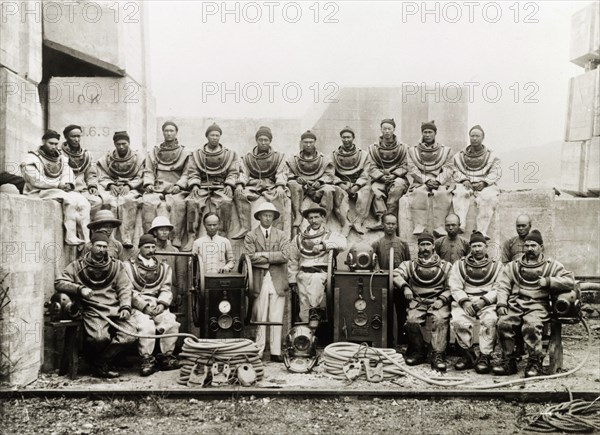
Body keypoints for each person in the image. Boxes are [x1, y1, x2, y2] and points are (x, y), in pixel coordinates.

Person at [54, 233, 137, 378]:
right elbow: (59, 282)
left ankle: (101, 362)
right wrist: (80, 289)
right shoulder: (77, 266)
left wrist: (125, 307)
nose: (102, 249)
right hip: (93, 310)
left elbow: (125, 288)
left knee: (129, 336)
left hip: (115, 309)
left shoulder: (117, 266)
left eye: (105, 247)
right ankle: (101, 364)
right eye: (98, 246)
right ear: (91, 246)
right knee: (99, 338)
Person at [493, 230, 575, 377]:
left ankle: (534, 362)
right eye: (527, 245)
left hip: (537, 306)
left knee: (531, 326)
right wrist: (501, 304)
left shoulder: (551, 266)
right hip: (516, 305)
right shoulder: (514, 266)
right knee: (503, 323)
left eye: (533, 245)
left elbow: (570, 281)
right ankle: (509, 361)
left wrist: (549, 281)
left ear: (541, 247)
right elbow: (503, 286)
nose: (529, 249)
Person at [393, 231, 452, 371]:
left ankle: (438, 354)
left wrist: (442, 299)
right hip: (418, 301)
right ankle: (419, 351)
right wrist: (405, 287)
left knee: (439, 319)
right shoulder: (410, 265)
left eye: (428, 244)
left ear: (433, 247)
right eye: (422, 245)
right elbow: (396, 274)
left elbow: (452, 286)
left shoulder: (446, 266)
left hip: (438, 301)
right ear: (418, 247)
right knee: (412, 321)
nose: (425, 248)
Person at [20, 130, 91, 245]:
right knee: (69, 201)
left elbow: (67, 173)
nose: (54, 146)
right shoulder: (31, 158)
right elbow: (34, 180)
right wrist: (57, 185)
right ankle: (70, 236)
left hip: (58, 189)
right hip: (38, 191)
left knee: (83, 202)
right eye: (50, 143)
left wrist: (67, 184)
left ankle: (86, 240)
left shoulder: (61, 158)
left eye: (55, 144)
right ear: (43, 141)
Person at [125, 234, 181, 376]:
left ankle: (166, 357)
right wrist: (144, 307)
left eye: (152, 247)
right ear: (139, 248)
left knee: (171, 323)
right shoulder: (128, 267)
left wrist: (162, 304)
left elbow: (166, 289)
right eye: (146, 247)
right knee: (146, 326)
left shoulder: (163, 267)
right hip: (139, 306)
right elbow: (128, 291)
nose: (150, 250)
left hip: (157, 304)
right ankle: (147, 359)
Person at [448, 231, 502, 374]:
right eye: (474, 246)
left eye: (480, 245)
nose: (477, 249)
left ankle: (485, 356)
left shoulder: (496, 266)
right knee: (459, 321)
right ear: (470, 248)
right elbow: (455, 285)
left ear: (486, 247)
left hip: (487, 302)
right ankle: (468, 354)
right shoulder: (459, 265)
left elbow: (499, 287)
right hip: (466, 300)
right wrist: (465, 302)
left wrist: (484, 301)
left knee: (490, 320)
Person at [243, 202, 290, 362]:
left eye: (270, 215)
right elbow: (249, 257)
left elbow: (285, 256)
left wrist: (262, 255)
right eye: (265, 215)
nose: (268, 218)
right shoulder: (251, 235)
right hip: (259, 279)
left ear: (274, 218)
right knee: (260, 316)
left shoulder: (282, 235)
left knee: (276, 317)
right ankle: (259, 350)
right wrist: (273, 257)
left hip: (278, 279)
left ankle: (276, 352)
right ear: (259, 217)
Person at [288, 206, 347, 323]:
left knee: (315, 282)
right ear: (307, 220)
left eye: (316, 217)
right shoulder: (299, 239)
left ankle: (314, 311)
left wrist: (323, 246)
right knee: (304, 305)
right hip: (303, 274)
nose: (313, 221)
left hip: (321, 274)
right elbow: (293, 259)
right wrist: (292, 280)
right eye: (310, 218)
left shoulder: (330, 235)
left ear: (323, 218)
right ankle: (307, 333)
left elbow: (343, 244)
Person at [285, 130, 349, 237]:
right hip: (302, 187)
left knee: (329, 190)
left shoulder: (323, 159)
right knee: (292, 184)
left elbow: (329, 174)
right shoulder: (294, 159)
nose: (308, 145)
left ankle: (324, 218)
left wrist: (320, 181)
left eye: (311, 142)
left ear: (315, 142)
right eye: (306, 142)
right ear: (301, 143)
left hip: (319, 186)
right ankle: (297, 215)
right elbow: (288, 173)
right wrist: (296, 178)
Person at [184, 123, 240, 240]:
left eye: (217, 135)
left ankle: (223, 234)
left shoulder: (229, 154)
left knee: (226, 202)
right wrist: (194, 185)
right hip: (203, 186)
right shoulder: (197, 154)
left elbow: (233, 171)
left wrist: (229, 185)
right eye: (212, 135)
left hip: (221, 186)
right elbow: (193, 171)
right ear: (207, 136)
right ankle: (191, 236)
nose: (214, 138)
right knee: (192, 202)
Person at [142, 121, 190, 247]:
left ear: (176, 133)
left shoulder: (184, 152)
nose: (169, 133)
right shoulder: (154, 151)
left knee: (179, 204)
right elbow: (148, 170)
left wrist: (179, 185)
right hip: (157, 187)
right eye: (166, 131)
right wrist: (148, 184)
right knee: (148, 203)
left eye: (171, 131)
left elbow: (186, 173)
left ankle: (176, 237)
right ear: (163, 132)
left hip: (175, 188)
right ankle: (149, 236)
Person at [234, 126, 288, 238]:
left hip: (271, 185)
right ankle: (245, 227)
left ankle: (278, 229)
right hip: (254, 185)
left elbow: (282, 172)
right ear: (256, 140)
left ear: (270, 141)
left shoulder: (278, 156)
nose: (263, 143)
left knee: (280, 196)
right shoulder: (248, 157)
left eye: (266, 140)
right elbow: (244, 173)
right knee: (240, 194)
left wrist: (280, 185)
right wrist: (240, 184)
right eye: (260, 140)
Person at [97, 131, 145, 248]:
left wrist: (129, 185)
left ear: (129, 143)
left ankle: (126, 236)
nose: (121, 146)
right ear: (114, 144)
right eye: (118, 144)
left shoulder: (138, 158)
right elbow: (102, 176)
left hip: (131, 188)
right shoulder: (107, 159)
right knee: (109, 201)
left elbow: (141, 176)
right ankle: (109, 237)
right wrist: (110, 185)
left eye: (124, 143)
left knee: (127, 200)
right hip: (113, 188)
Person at [406, 121, 455, 236]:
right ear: (422, 133)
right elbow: (411, 168)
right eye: (425, 132)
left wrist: (438, 180)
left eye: (430, 132)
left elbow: (449, 168)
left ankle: (440, 226)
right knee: (419, 193)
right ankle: (419, 225)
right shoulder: (412, 151)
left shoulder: (446, 150)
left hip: (439, 183)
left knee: (442, 194)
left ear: (435, 133)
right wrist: (426, 180)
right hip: (420, 182)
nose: (427, 135)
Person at [452, 125, 501, 237]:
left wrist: (484, 182)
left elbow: (496, 172)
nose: (474, 138)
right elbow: (454, 169)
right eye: (472, 136)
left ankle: (482, 231)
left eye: (477, 136)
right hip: (466, 183)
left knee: (489, 198)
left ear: (483, 138)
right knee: (460, 193)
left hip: (484, 184)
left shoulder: (491, 155)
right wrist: (463, 179)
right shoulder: (460, 155)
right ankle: (460, 224)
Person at [371, 212, 412, 347]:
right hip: (383, 286)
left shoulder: (403, 244)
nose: (391, 226)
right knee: (384, 314)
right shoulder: (377, 244)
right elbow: (373, 264)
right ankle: (386, 342)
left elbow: (408, 264)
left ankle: (402, 342)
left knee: (402, 314)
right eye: (388, 223)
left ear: (396, 225)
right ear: (383, 225)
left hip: (400, 286)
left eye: (393, 224)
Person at [364, 119, 409, 231]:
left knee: (397, 188)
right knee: (375, 190)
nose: (387, 131)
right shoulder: (373, 148)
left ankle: (391, 219)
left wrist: (394, 175)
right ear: (381, 130)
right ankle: (381, 219)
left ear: (394, 130)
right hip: (380, 179)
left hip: (398, 177)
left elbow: (406, 164)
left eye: (389, 129)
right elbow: (371, 165)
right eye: (385, 129)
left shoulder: (403, 148)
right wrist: (381, 176)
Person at [331, 126, 372, 234]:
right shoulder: (334, 155)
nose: (346, 140)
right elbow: (330, 173)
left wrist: (356, 186)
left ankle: (359, 221)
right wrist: (341, 184)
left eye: (348, 137)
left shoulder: (363, 154)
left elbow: (366, 173)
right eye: (344, 137)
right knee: (336, 192)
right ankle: (345, 223)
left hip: (358, 183)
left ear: (353, 138)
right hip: (342, 183)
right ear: (341, 138)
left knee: (368, 190)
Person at [60, 124, 102, 215]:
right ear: (66, 137)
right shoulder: (59, 154)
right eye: (73, 136)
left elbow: (91, 174)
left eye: (78, 136)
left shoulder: (87, 155)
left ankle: (88, 227)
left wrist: (92, 186)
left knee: (97, 201)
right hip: (66, 190)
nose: (76, 139)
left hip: (82, 189)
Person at [149, 216, 187, 310]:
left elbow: (180, 273)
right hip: (154, 293)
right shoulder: (150, 250)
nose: (165, 232)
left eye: (167, 230)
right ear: (155, 232)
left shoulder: (174, 250)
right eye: (161, 230)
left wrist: (180, 292)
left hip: (171, 292)